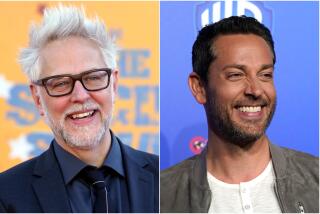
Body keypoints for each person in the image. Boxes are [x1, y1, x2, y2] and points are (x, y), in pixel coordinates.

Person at [0, 5, 158, 213]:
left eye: (93, 78)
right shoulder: (6, 194)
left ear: (114, 84)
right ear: (37, 98)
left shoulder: (165, 177)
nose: (80, 96)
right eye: (60, 83)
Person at [160, 16, 318, 213]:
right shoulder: (162, 196)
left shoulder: (315, 179)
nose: (256, 90)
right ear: (199, 87)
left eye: (265, 75)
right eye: (236, 75)